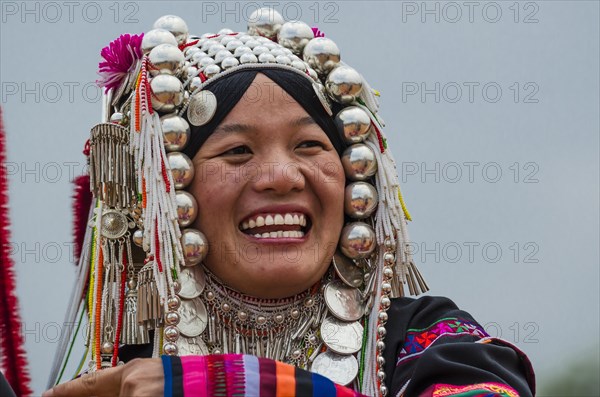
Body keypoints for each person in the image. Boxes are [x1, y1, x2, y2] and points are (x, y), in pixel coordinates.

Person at [43, 11, 535, 397]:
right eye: (237, 151)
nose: (282, 177)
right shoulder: (125, 370)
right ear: (167, 195)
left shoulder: (426, 342)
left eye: (309, 146)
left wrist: (231, 384)